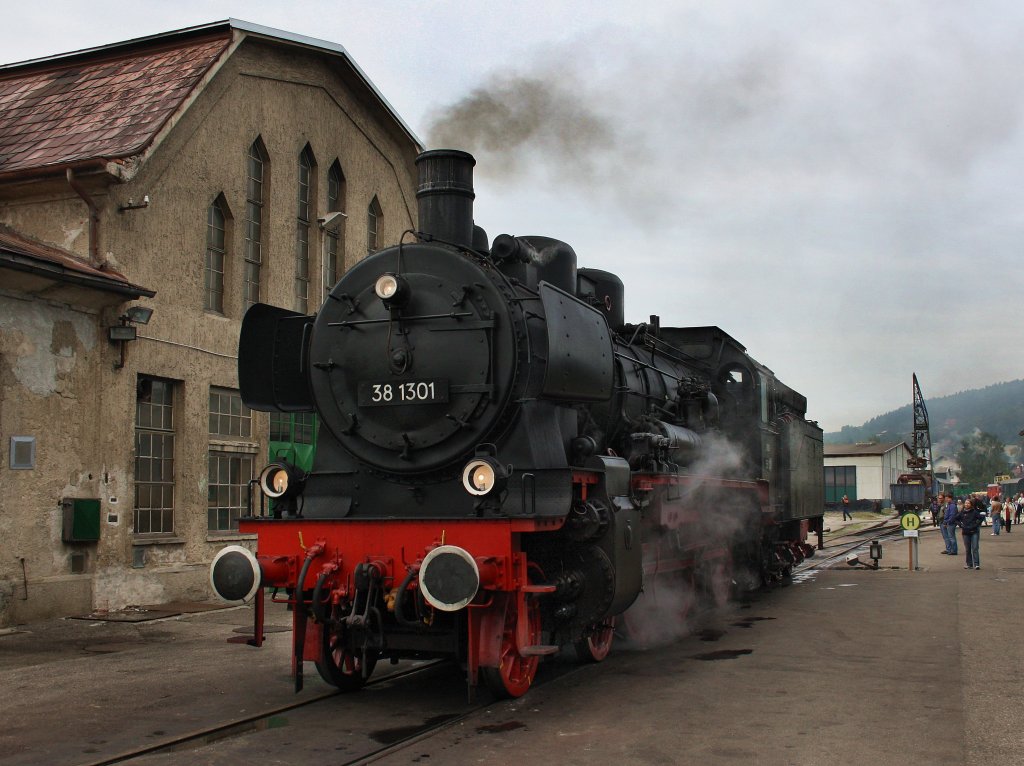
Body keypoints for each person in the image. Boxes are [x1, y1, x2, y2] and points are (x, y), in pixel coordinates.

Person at [960, 498, 984, 569]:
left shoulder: (974, 512)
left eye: (968, 503)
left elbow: (981, 518)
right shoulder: (962, 512)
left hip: (974, 532)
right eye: (966, 503)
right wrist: (960, 525)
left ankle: (976, 564)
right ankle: (969, 564)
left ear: (971, 505)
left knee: (975, 548)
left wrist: (976, 524)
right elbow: (956, 518)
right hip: (965, 532)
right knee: (968, 549)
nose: (967, 504)